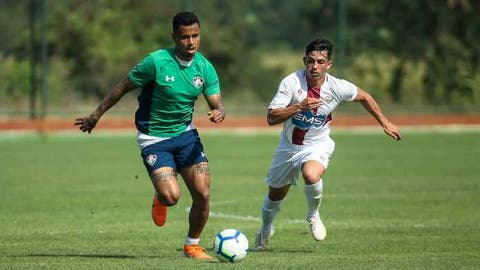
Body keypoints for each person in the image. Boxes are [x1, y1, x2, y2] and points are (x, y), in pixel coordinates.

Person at [74, 11, 226, 260]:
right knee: (171, 196)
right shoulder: (155, 62)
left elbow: (216, 101)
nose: (191, 42)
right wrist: (96, 115)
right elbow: (123, 86)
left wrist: (219, 111)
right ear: (174, 37)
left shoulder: (205, 67)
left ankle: (192, 245)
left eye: (195, 36)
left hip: (186, 136)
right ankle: (160, 195)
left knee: (203, 192)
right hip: (154, 139)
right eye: (185, 37)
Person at [254, 38, 401, 250]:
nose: (315, 67)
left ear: (329, 64)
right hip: (287, 147)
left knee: (311, 175)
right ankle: (266, 229)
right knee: (275, 194)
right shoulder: (291, 83)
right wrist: (299, 106)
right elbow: (271, 118)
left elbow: (364, 96)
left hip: (318, 144)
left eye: (320, 62)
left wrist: (385, 122)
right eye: (311, 61)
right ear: (304, 60)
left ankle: (313, 214)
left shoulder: (337, 87)